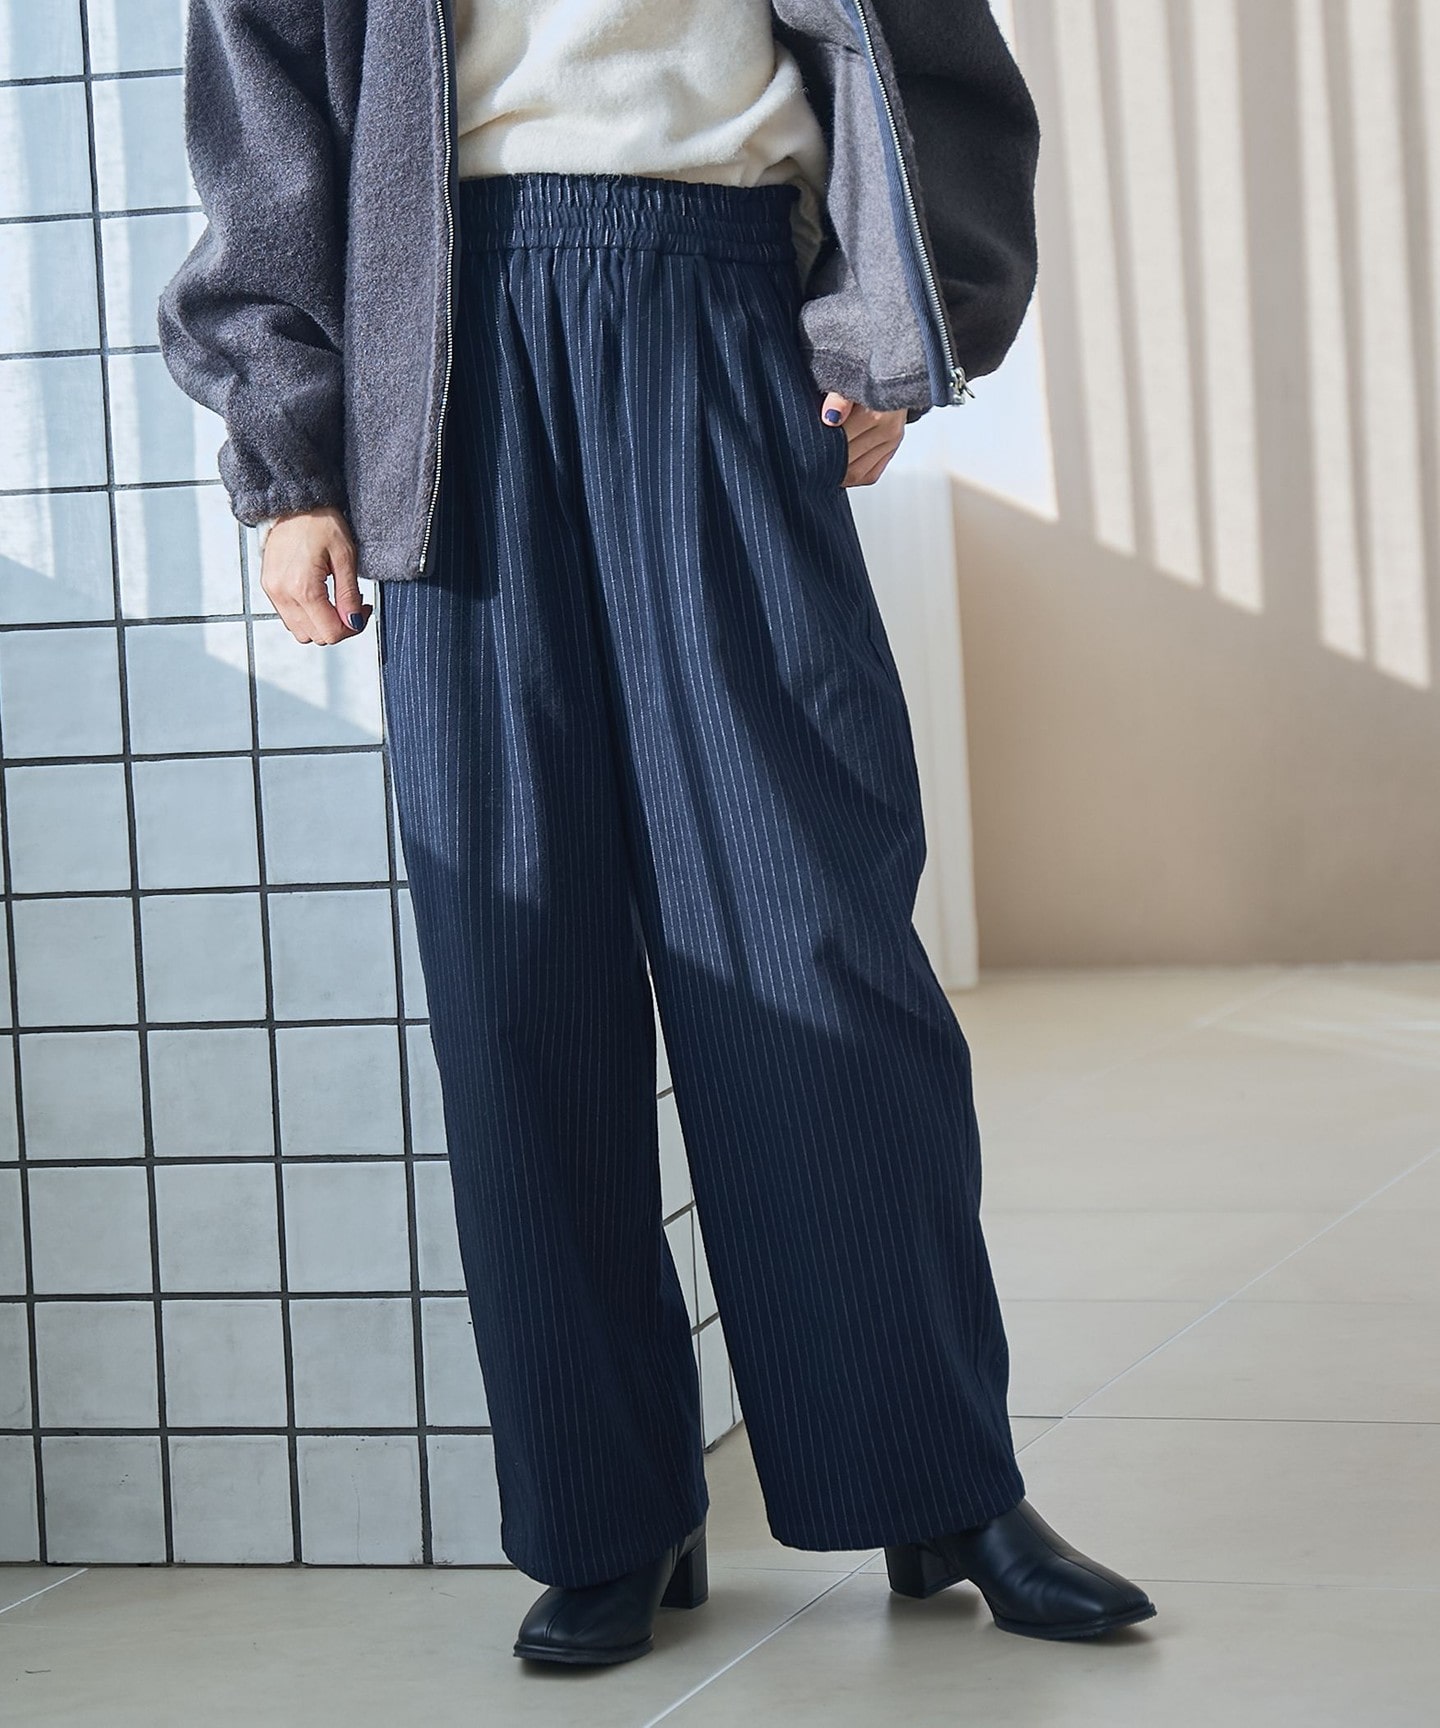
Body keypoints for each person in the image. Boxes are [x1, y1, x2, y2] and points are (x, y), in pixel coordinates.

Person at [158, 0, 1158, 1668]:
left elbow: (930, 56)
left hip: (725, 310)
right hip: (442, 351)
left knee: (813, 940)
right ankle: (607, 1516)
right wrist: (291, 462)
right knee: (520, 971)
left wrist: (900, 325)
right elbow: (265, 111)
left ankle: (937, 1482)